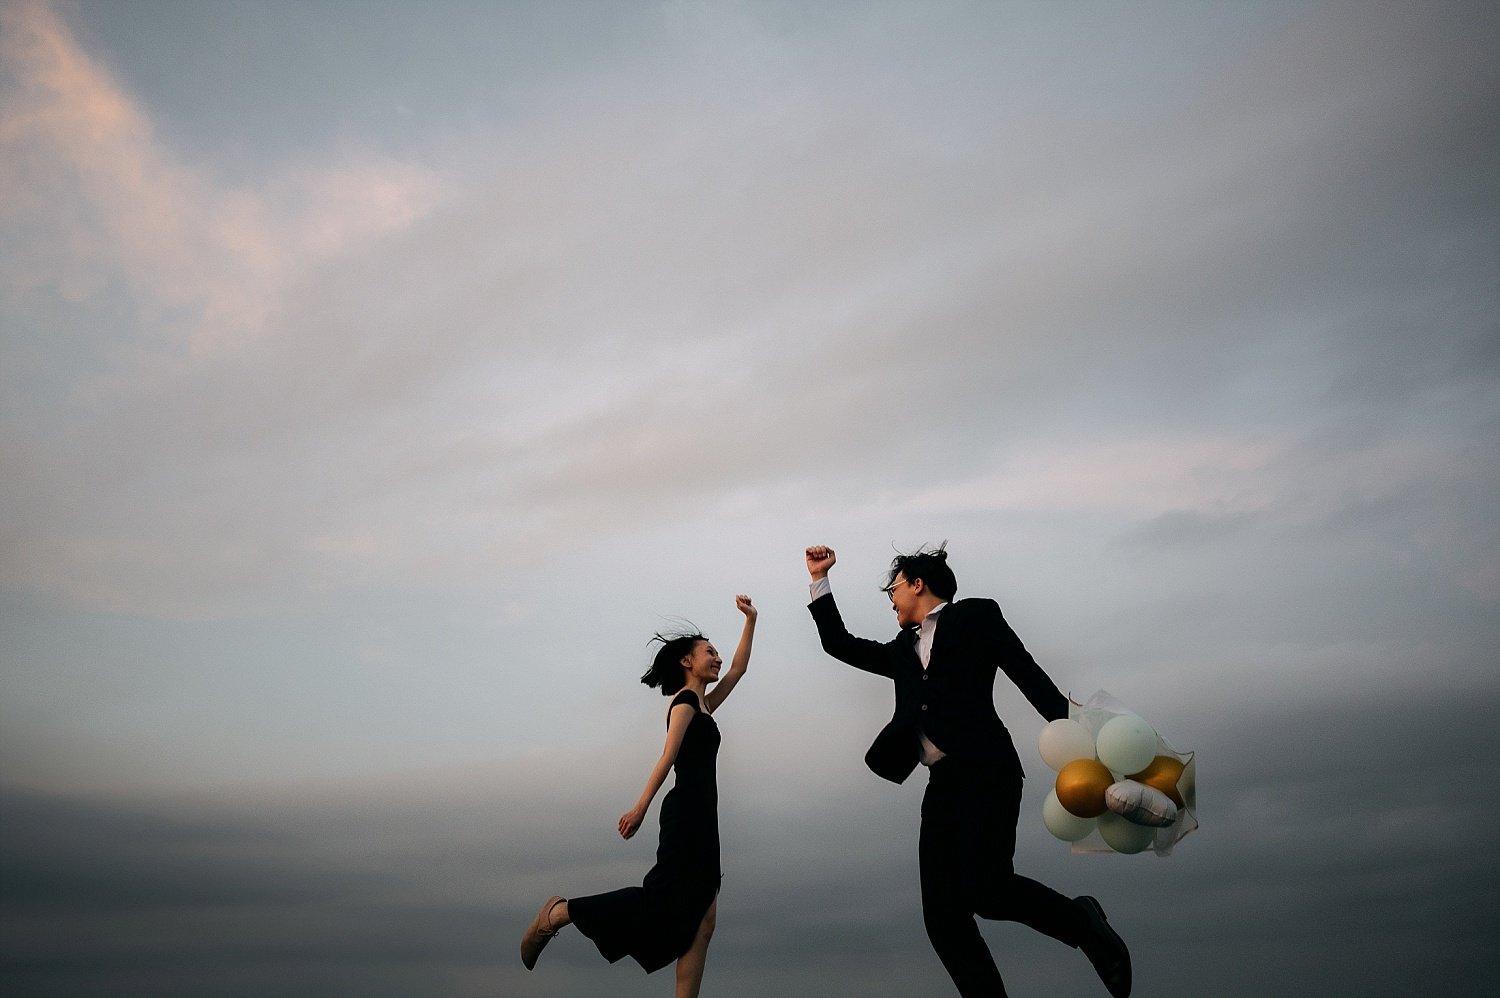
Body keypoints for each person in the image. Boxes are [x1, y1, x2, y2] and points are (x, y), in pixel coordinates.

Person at [804, 544, 1131, 998]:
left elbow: (1028, 675)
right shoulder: (901, 650)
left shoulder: (975, 617)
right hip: (942, 786)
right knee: (942, 917)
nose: (891, 600)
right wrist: (819, 579)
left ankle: (1083, 922)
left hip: (988, 771)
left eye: (893, 589)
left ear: (918, 583)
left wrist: (1086, 740)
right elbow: (838, 644)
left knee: (987, 890)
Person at [519, 594, 756, 998]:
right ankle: (560, 913)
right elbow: (668, 756)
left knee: (703, 921)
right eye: (710, 652)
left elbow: (738, 669)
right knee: (658, 902)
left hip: (704, 818)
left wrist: (751, 619)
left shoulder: (704, 705)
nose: (718, 658)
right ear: (687, 661)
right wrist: (640, 807)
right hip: (686, 816)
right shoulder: (685, 704)